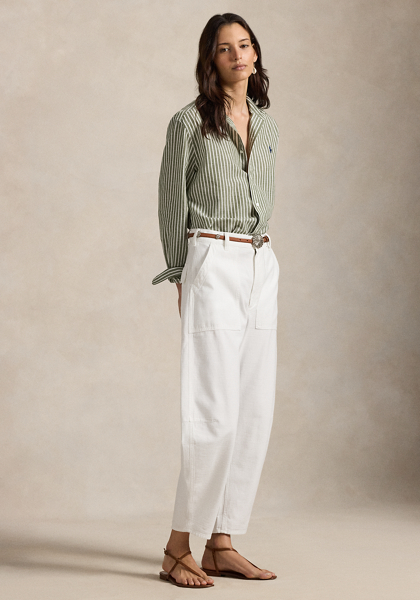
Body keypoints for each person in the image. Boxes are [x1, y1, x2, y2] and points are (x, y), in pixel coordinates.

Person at [152, 13, 280, 588]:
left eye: (245, 44)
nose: (238, 55)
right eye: (225, 48)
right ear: (211, 59)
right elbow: (170, 199)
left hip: (260, 261)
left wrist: (261, 264)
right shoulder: (189, 123)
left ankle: (221, 542)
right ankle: (178, 546)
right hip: (211, 256)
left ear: (255, 53)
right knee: (214, 413)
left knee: (254, 410)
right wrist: (182, 273)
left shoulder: (266, 124)